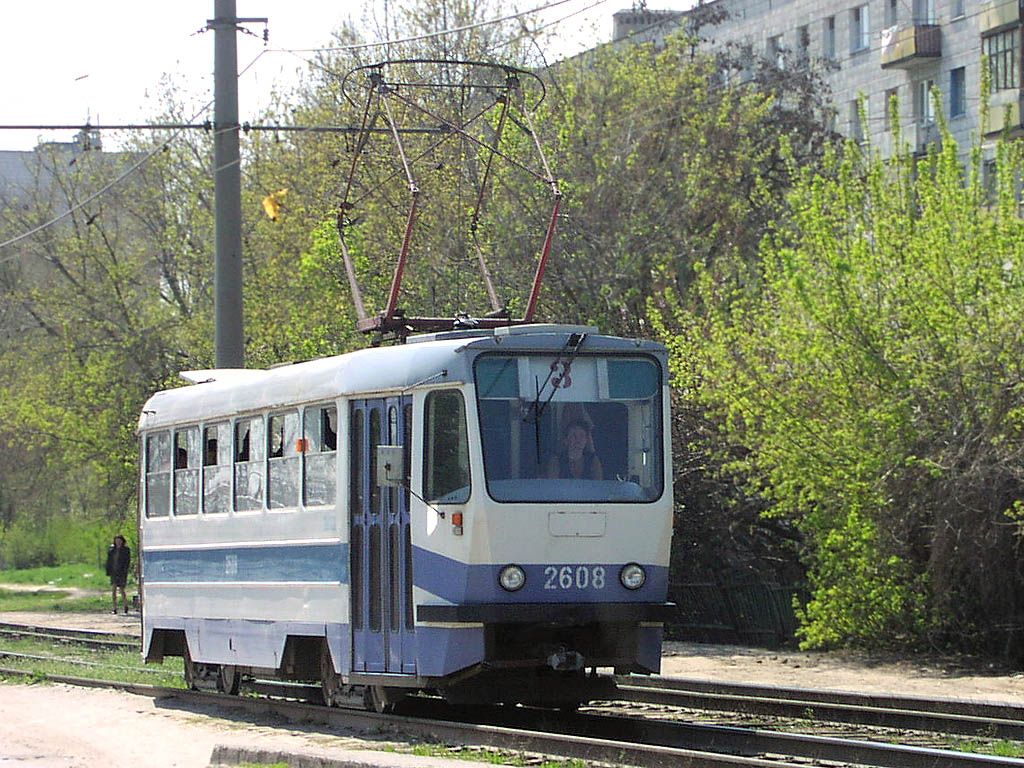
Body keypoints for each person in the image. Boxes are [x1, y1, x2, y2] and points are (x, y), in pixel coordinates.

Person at [106, 535, 131, 614]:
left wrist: (125, 570)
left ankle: (125, 606)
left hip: (122, 572)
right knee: (113, 590)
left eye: (119, 541)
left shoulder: (126, 550)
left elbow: (127, 562)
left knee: (122, 590)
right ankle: (115, 608)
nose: (118, 542)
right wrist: (108, 571)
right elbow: (109, 561)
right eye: (116, 541)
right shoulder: (112, 550)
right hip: (114, 572)